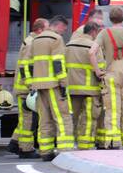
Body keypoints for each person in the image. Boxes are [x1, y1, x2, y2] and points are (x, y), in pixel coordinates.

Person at [27, 16, 74, 161]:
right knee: (62, 117)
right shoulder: (56, 39)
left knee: (44, 119)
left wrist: (31, 83)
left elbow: (28, 64)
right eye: (64, 29)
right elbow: (58, 62)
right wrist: (63, 82)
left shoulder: (36, 40)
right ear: (59, 26)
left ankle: (45, 151)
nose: (63, 32)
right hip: (54, 85)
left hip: (39, 86)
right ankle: (65, 150)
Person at [93, 7, 123, 149]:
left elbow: (91, 52)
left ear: (110, 18)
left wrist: (97, 71)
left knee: (113, 110)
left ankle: (113, 142)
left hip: (111, 72)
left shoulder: (104, 33)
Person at [6, 17, 47, 158]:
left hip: (23, 87)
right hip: (25, 89)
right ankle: (26, 149)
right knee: (29, 120)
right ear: (40, 30)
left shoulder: (31, 41)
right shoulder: (32, 44)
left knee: (25, 119)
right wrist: (31, 86)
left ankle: (14, 143)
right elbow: (26, 67)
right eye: (46, 30)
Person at [65, 20, 103, 150]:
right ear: (93, 31)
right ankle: (85, 145)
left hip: (72, 88)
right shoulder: (93, 46)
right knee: (89, 118)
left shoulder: (69, 45)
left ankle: (68, 144)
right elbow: (101, 68)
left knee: (71, 118)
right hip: (90, 90)